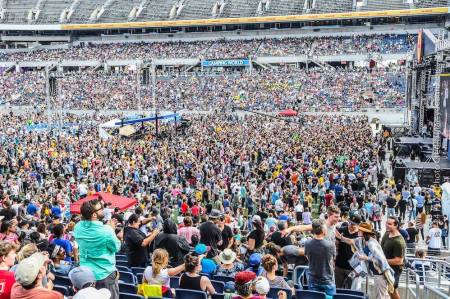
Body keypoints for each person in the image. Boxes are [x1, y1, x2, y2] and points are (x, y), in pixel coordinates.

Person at [73, 200, 121, 299]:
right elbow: (116, 247)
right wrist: (111, 229)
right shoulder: (107, 231)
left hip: (86, 275)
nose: (103, 210)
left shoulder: (77, 227)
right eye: (101, 208)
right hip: (104, 275)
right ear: (94, 215)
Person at [304, 219, 336, 296]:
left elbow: (307, 256)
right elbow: (332, 260)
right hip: (327, 280)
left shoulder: (307, 243)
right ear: (323, 230)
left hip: (313, 280)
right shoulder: (330, 245)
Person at [381, 216, 406, 299]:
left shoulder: (399, 241)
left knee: (392, 291)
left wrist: (382, 261)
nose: (387, 225)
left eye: (389, 224)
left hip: (394, 270)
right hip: (385, 267)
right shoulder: (387, 233)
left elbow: (399, 261)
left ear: (396, 226)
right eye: (386, 223)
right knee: (389, 290)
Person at [335, 213, 361, 289]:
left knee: (351, 289)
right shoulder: (342, 229)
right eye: (349, 222)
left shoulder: (360, 234)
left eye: (353, 224)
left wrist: (341, 238)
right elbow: (337, 244)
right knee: (337, 288)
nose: (350, 225)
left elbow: (353, 242)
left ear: (358, 224)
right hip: (339, 265)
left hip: (353, 269)